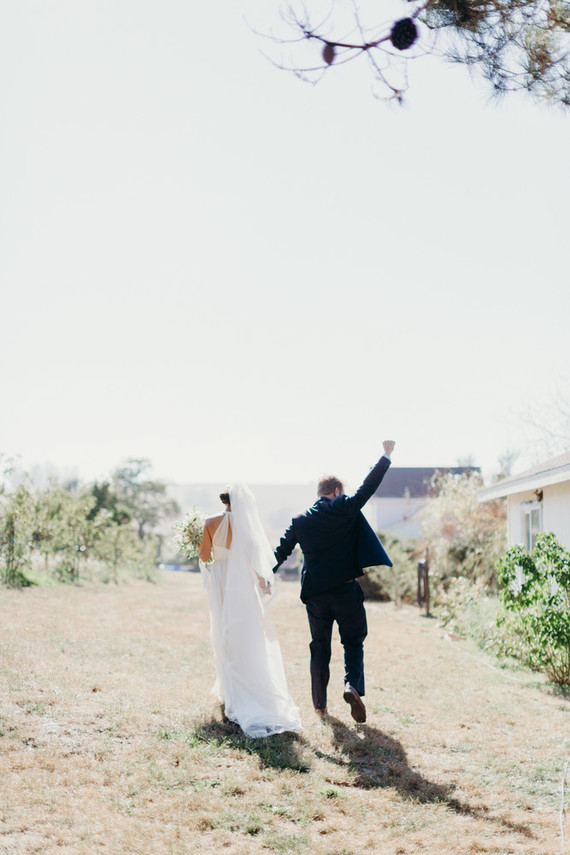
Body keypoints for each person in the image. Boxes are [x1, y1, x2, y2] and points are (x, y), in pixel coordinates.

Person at [272, 441, 395, 723]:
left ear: (319, 494)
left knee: (319, 646)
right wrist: (386, 456)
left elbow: (282, 550)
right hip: (345, 589)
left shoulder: (299, 520)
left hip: (315, 593)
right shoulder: (346, 507)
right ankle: (352, 685)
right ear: (337, 492)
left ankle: (320, 706)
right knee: (352, 642)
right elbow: (369, 487)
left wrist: (264, 573)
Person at [198, 483, 302, 738]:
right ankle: (248, 686)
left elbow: (203, 556)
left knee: (223, 631)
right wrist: (262, 584)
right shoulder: (249, 526)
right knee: (246, 634)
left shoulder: (210, 522)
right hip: (243, 586)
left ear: (224, 501)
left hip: (221, 582)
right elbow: (257, 562)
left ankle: (231, 690)